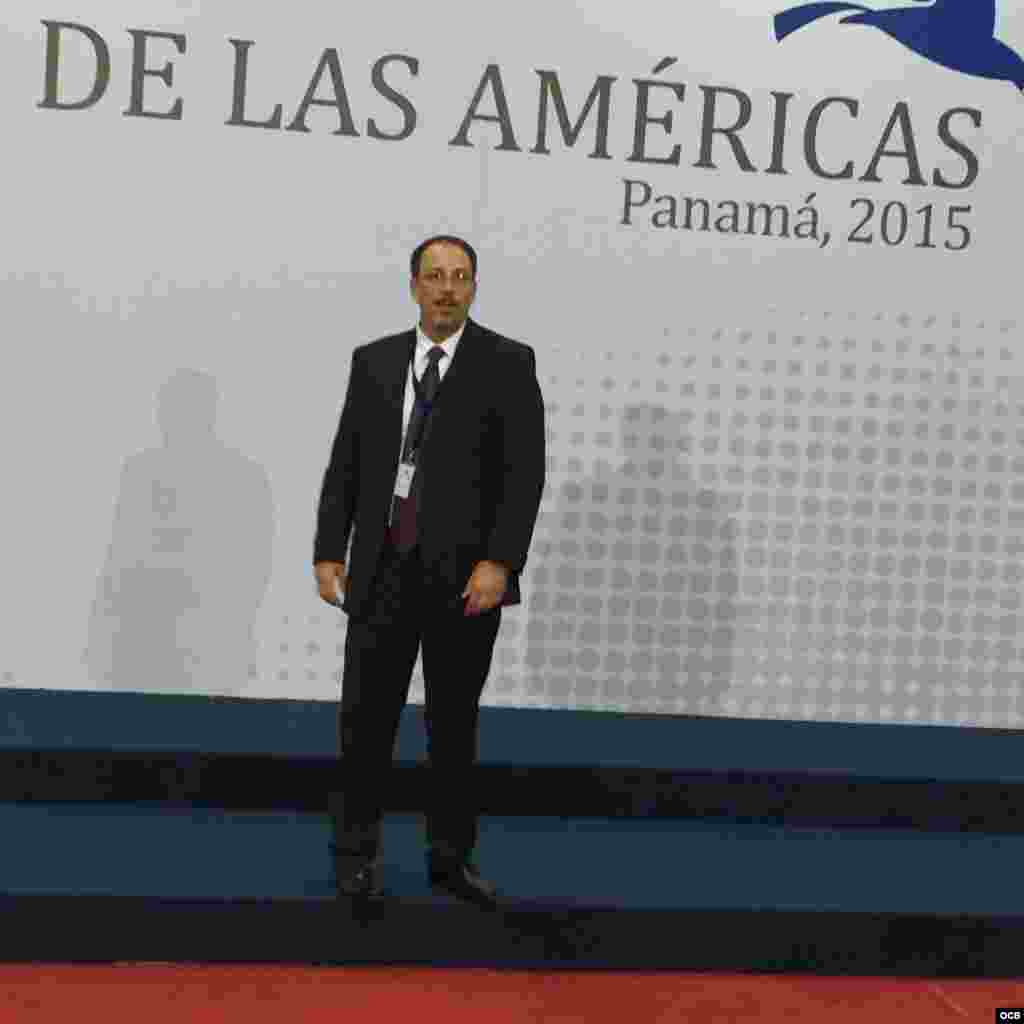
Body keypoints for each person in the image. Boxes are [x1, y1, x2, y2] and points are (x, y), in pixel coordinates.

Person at [313, 235, 546, 905]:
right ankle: (355, 857)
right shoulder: (375, 361)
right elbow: (346, 465)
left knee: (452, 726)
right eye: (435, 276)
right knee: (364, 723)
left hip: (464, 582)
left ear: (474, 287)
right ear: (413, 286)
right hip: (382, 574)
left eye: (461, 277)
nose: (447, 288)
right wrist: (330, 549)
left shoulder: (507, 362)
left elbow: (523, 473)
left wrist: (499, 562)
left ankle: (451, 860)